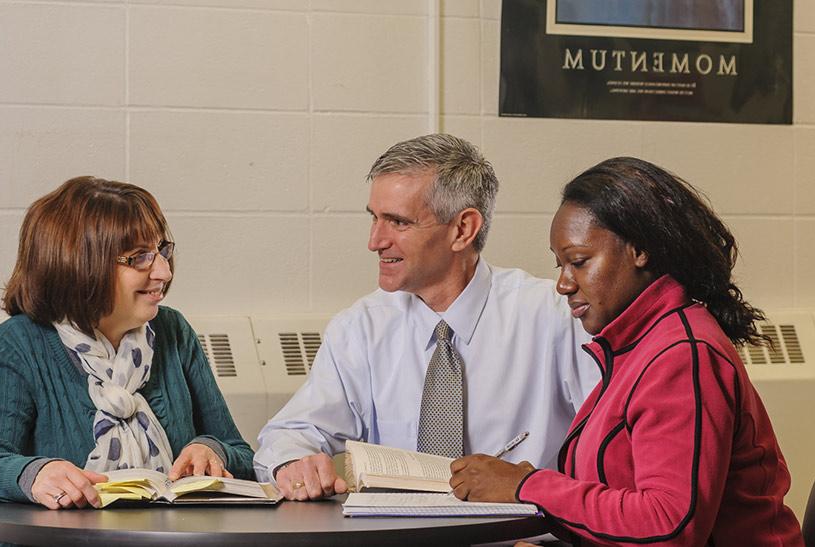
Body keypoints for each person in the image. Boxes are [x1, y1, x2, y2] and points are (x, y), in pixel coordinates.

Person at [448, 157, 804, 546]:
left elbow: (668, 526)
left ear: (641, 250)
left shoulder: (683, 354)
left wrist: (528, 486)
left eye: (579, 262)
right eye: (560, 265)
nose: (563, 284)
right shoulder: (640, 346)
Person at [254, 134, 599, 500]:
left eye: (398, 222)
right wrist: (292, 461)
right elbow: (288, 434)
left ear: (463, 229)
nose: (375, 241)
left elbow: (614, 448)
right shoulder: (361, 328)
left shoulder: (556, 317)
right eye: (374, 218)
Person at [0, 177, 254, 519]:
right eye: (140, 257)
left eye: (162, 251)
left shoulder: (173, 331)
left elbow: (239, 452)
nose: (164, 272)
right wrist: (35, 474)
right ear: (80, 264)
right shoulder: (19, 343)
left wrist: (210, 449)